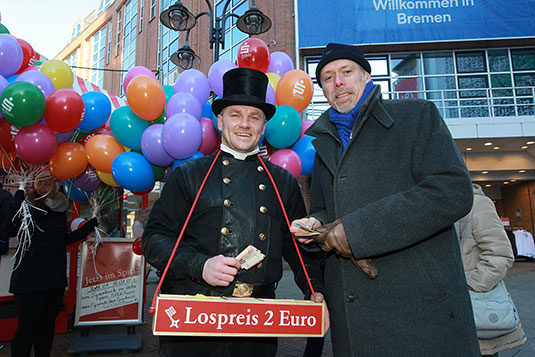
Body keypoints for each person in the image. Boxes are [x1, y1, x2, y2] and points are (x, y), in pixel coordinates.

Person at [290, 43, 480, 356]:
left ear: (366, 76)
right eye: (327, 78)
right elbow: (325, 208)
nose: (338, 82)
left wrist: (356, 232)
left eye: (346, 72)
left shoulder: (416, 117)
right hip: (352, 314)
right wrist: (317, 223)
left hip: (419, 313)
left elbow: (452, 190)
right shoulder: (322, 142)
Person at [142, 68, 326, 357]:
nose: (245, 124)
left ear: (264, 126)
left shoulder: (283, 183)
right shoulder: (189, 175)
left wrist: (314, 290)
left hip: (256, 325)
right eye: (235, 114)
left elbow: (299, 250)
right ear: (219, 120)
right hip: (194, 319)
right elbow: (154, 239)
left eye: (254, 117)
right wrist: (199, 265)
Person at [0, 169, 98, 357]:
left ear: (55, 185)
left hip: (54, 280)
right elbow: (7, 230)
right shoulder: (27, 206)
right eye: (40, 183)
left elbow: (63, 241)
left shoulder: (60, 209)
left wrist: (91, 225)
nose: (44, 187)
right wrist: (18, 202)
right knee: (27, 328)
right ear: (34, 186)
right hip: (29, 281)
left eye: (48, 183)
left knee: (46, 328)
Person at [456, 184, 526, 356]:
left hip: (473, 311)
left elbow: (500, 254)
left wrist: (468, 286)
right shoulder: (428, 208)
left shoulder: (476, 204)